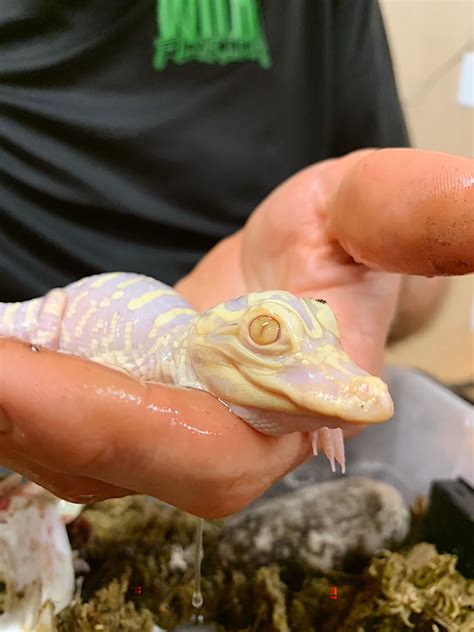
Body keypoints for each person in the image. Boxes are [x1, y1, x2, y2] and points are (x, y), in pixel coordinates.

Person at [1, 2, 471, 517]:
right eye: (268, 336)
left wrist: (371, 262)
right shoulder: (170, 361)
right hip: (56, 320)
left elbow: (394, 318)